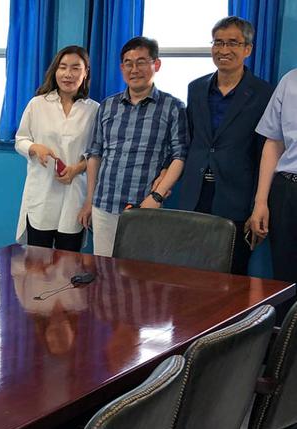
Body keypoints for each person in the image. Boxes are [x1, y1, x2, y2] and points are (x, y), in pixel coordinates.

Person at [176, 17, 273, 275]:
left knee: (231, 277)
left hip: (236, 198)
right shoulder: (196, 88)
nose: (224, 50)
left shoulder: (264, 93)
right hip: (195, 195)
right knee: (190, 272)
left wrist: (258, 203)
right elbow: (192, 139)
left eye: (233, 43)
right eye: (218, 42)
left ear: (248, 49)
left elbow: (264, 151)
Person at [79, 37, 188, 256]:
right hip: (104, 204)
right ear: (121, 68)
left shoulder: (173, 107)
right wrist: (89, 200)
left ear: (155, 65)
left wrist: (156, 198)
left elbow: (179, 156)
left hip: (144, 206)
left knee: (138, 278)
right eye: (128, 63)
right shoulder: (108, 106)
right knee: (104, 272)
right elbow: (95, 154)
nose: (134, 69)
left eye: (141, 62)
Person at [15, 46, 99, 251]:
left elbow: (97, 153)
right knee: (37, 262)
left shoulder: (94, 109)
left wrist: (76, 169)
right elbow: (20, 140)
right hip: (42, 193)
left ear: (85, 72)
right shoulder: (38, 104)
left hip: (74, 194)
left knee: (68, 262)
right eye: (63, 67)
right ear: (55, 71)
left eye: (75, 68)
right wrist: (35, 147)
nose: (68, 74)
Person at [248, 68, 297, 286]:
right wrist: (260, 202)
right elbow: (274, 143)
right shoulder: (289, 81)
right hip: (288, 190)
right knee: (285, 275)